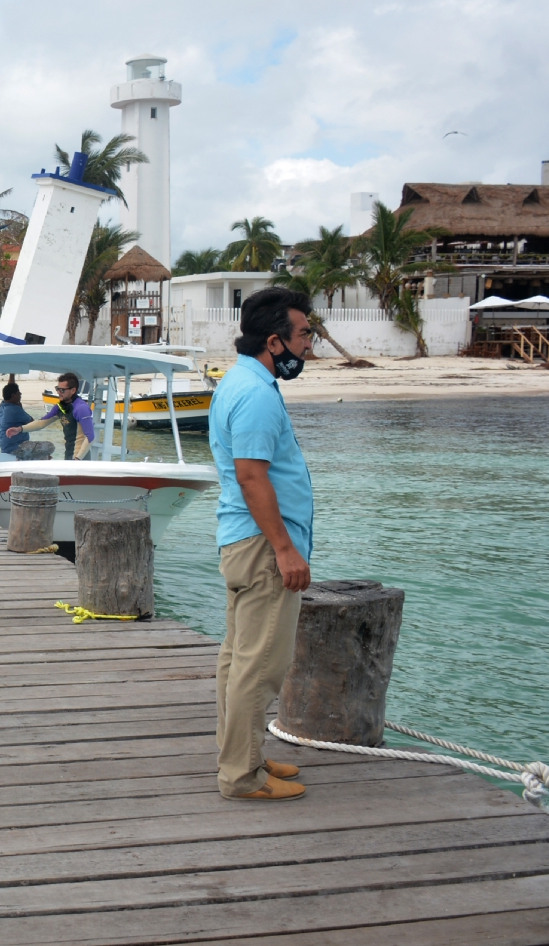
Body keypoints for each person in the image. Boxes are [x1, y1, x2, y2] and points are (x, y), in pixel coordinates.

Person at [208, 287, 316, 803]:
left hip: (242, 540)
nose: (309, 347)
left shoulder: (241, 382)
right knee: (261, 665)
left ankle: (242, 755)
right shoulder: (254, 393)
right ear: (274, 341)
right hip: (261, 546)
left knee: (238, 658)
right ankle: (242, 776)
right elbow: (252, 478)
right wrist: (286, 549)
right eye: (303, 336)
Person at [3, 372, 94, 460]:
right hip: (69, 455)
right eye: (57, 389)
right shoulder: (62, 406)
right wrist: (19, 429)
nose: (59, 392)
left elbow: (90, 436)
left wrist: (78, 458)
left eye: (62, 390)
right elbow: (41, 423)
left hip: (80, 459)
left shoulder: (81, 408)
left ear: (73, 390)